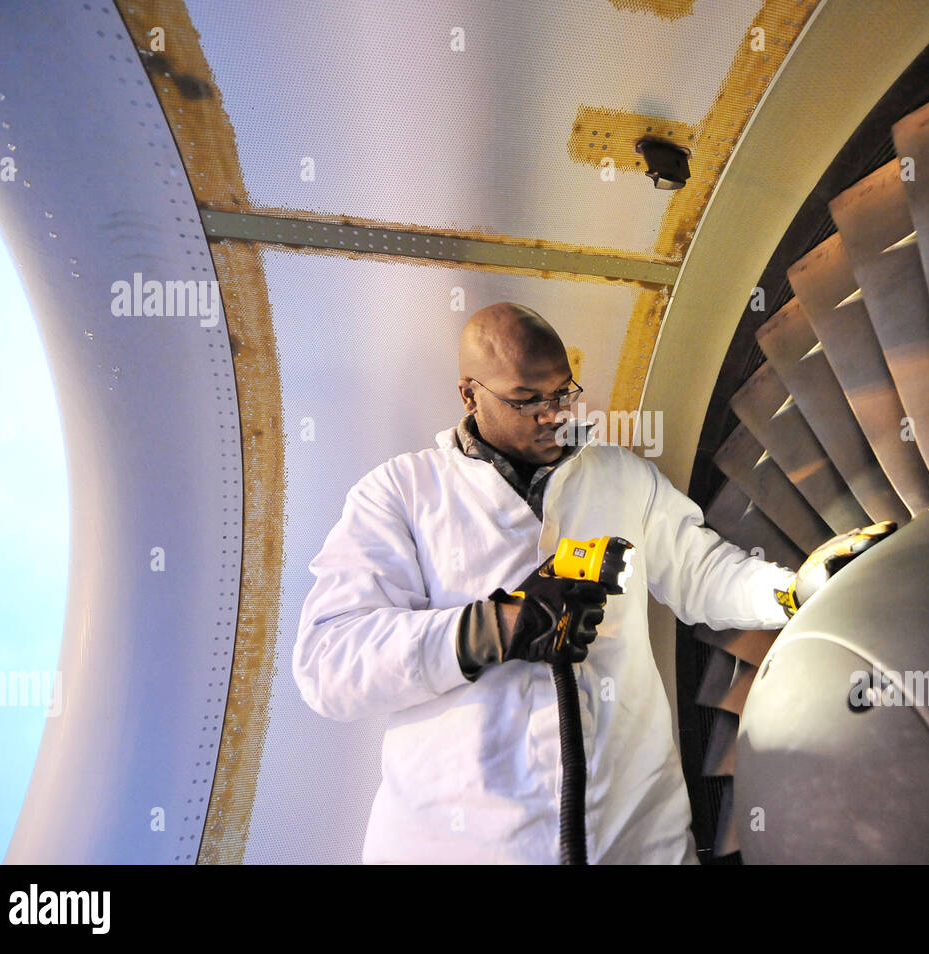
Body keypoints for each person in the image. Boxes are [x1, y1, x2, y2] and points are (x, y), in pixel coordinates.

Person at [292, 301, 799, 864]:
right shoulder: (402, 494)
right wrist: (495, 628)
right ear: (469, 395)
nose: (554, 414)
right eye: (527, 400)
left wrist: (795, 592)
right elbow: (329, 663)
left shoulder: (618, 476)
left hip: (633, 839)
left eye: (563, 392)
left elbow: (704, 574)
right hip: (462, 846)